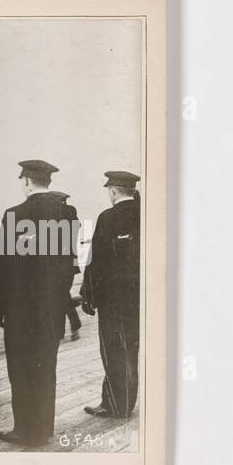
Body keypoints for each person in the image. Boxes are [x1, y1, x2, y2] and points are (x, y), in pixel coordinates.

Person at [0, 160, 79, 447]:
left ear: (27, 181)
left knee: (21, 367)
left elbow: (2, 267)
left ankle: (25, 429)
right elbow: (68, 263)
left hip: (19, 309)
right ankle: (43, 429)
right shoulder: (67, 213)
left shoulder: (14, 214)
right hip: (52, 307)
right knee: (46, 365)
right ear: (48, 181)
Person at [80, 170, 142, 418]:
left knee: (113, 349)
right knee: (131, 348)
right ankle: (125, 402)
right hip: (139, 297)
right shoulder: (144, 214)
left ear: (114, 191)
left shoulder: (108, 217)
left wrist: (88, 295)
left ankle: (116, 405)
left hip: (113, 301)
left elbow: (96, 261)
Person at [52, 191, 83, 341]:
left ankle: (64, 329)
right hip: (71, 262)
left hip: (57, 263)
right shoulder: (72, 214)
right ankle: (72, 326)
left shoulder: (54, 217)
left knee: (60, 294)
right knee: (63, 293)